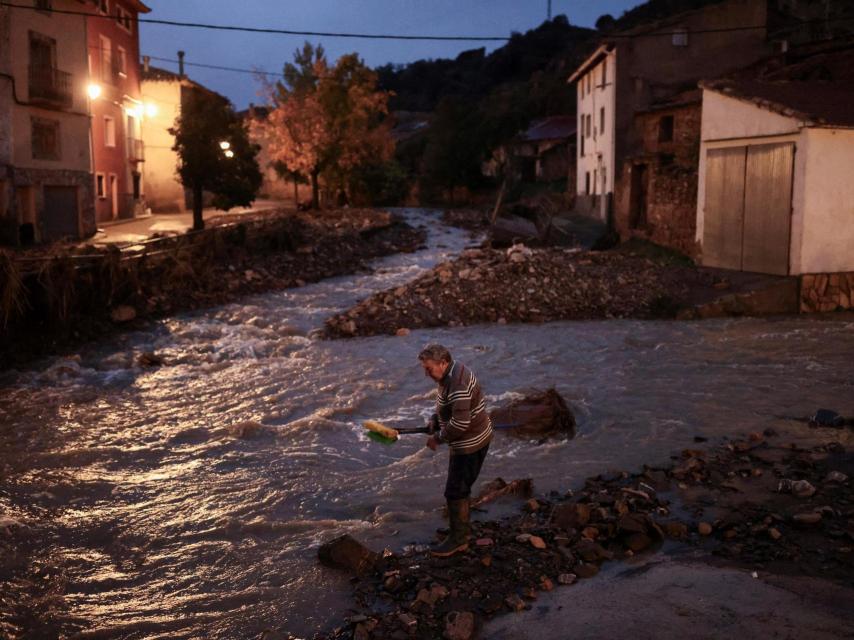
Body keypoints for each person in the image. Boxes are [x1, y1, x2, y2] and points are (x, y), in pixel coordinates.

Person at [418, 344, 493, 557]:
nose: (426, 373)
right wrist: (436, 420)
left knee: (455, 490)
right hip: (471, 438)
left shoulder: (457, 383)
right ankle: (459, 531)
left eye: (429, 369)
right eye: (424, 369)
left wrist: (438, 438)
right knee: (460, 487)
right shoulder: (451, 371)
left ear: (443, 363)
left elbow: (460, 424)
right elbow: (450, 408)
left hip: (470, 443)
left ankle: (459, 540)